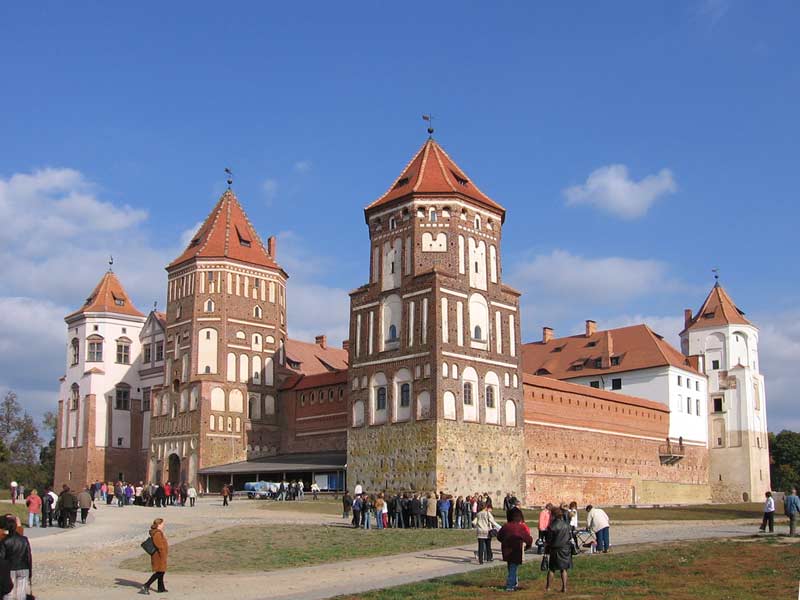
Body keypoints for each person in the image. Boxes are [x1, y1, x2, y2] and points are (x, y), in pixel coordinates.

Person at [497, 508, 533, 592]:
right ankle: (510, 585)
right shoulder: (520, 527)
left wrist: (505, 541)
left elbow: (499, 536)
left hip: (506, 549)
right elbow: (528, 538)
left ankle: (514, 582)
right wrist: (528, 546)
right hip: (516, 549)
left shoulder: (505, 526)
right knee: (513, 567)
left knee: (511, 566)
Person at [0, 514, 33, 600]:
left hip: (10, 569)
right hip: (23, 568)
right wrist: (30, 571)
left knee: (9, 594)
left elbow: (2, 558)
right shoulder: (24, 539)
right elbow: (28, 556)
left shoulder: (5, 541)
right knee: (21, 595)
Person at [545, 506, 573, 593]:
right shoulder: (566, 525)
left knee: (552, 569)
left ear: (553, 515)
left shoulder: (552, 526)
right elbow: (570, 537)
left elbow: (549, 540)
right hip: (565, 549)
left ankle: (548, 587)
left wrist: (547, 547)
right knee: (564, 569)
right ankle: (564, 587)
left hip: (555, 549)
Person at [141, 518, 168, 595]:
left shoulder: (157, 532)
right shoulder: (157, 533)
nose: (163, 525)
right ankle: (146, 585)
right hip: (159, 555)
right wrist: (163, 555)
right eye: (162, 524)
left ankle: (161, 588)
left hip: (159, 555)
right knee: (159, 572)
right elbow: (159, 546)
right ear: (159, 525)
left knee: (161, 571)